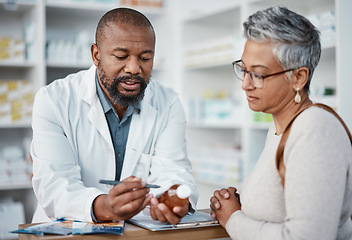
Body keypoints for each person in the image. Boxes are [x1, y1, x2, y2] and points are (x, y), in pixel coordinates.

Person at [30, 7, 198, 225]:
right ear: (96, 55)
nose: (134, 68)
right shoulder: (53, 100)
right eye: (121, 56)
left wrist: (173, 197)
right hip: (67, 231)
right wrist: (104, 207)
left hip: (137, 233)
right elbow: (53, 185)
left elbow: (173, 170)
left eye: (145, 58)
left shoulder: (168, 103)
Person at [210, 6, 352, 240]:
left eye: (258, 74)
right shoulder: (280, 128)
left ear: (298, 77)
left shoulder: (314, 129)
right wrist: (234, 204)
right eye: (244, 70)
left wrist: (234, 218)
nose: (245, 84)